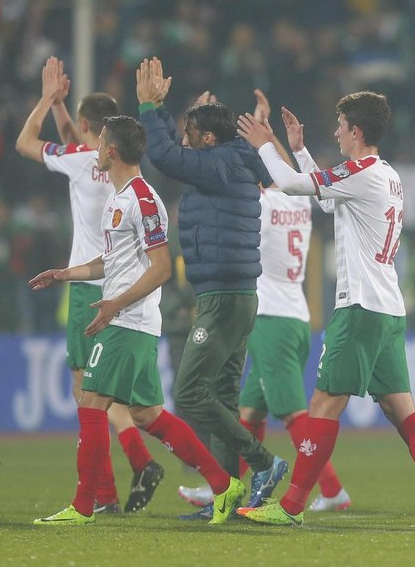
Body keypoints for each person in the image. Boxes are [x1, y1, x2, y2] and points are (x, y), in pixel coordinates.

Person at [235, 91, 415, 528]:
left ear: (356, 131)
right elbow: (324, 198)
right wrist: (299, 149)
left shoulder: (362, 171)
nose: (336, 132)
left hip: (359, 307)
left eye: (340, 125)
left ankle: (288, 507)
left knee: (323, 404)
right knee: (403, 410)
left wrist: (264, 143)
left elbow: (290, 185)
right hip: (387, 308)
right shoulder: (387, 175)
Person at [28, 115, 246, 525]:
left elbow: (161, 267)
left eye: (100, 141)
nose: (94, 148)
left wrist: (114, 305)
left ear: (111, 150)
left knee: (91, 403)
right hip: (130, 319)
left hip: (128, 320)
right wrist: (66, 273)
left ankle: (82, 507)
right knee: (147, 415)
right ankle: (223, 484)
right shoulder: (119, 197)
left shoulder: (143, 200)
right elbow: (112, 263)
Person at [177, 90, 349, 513]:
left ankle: (331, 490)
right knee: (249, 413)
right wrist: (261, 133)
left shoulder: (258, 204)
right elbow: (276, 171)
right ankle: (224, 484)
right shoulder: (299, 204)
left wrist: (248, 134)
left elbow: (244, 167)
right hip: (295, 317)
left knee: (294, 415)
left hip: (270, 319)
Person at [136, 58, 288, 514]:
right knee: (222, 395)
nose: (183, 141)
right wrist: (162, 111)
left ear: (207, 139)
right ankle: (227, 494)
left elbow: (163, 155)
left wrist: (147, 107)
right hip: (230, 294)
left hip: (222, 297)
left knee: (189, 394)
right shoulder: (226, 160)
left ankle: (263, 463)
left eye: (189, 133)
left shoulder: (220, 163)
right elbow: (173, 151)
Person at [15, 56, 164, 513]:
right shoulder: (119, 168)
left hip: (88, 281)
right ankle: (131, 471)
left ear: (92, 132)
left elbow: (25, 143)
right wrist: (64, 109)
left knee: (88, 394)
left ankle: (106, 493)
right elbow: (74, 142)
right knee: (114, 397)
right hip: (125, 282)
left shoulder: (81, 161)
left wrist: (45, 99)